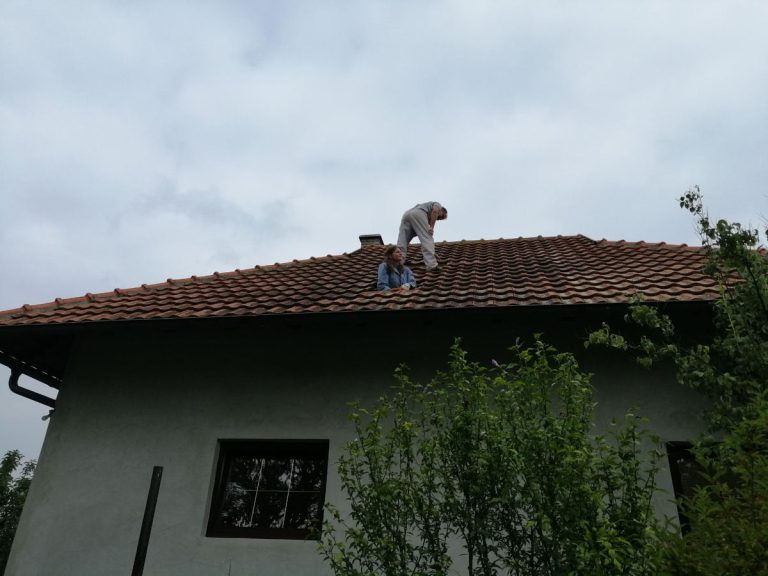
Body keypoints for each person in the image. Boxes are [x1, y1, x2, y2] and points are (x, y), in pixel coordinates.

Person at [397, 201, 447, 271]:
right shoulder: (438, 205)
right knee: (427, 237)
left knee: (402, 241)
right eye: (441, 216)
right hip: (419, 213)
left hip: (407, 214)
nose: (438, 219)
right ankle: (431, 265)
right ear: (441, 210)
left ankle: (398, 263)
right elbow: (435, 211)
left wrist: (433, 252)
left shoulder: (423, 207)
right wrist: (431, 227)